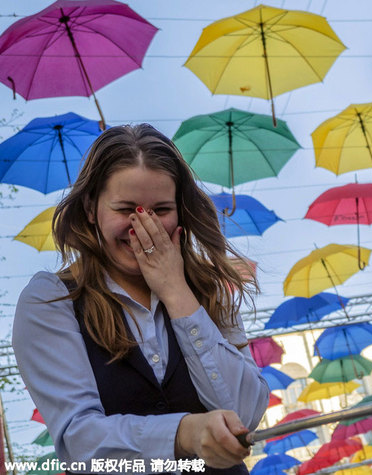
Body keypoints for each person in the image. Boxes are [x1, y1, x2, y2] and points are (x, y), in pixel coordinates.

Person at [12, 124, 270, 474]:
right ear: (91, 209)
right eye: (124, 209)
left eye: (161, 210)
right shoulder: (52, 301)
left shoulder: (208, 289)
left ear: (180, 211)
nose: (142, 225)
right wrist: (183, 434)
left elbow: (246, 413)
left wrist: (176, 292)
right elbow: (79, 441)